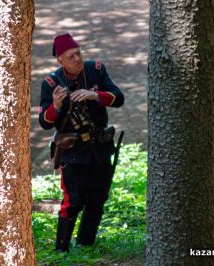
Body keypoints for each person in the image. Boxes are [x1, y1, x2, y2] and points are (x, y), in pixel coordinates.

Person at [38, 32, 124, 252]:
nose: (77, 59)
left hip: (100, 147)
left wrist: (94, 96)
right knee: (73, 201)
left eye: (78, 54)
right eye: (70, 56)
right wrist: (56, 106)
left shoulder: (95, 70)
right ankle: (61, 250)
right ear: (60, 60)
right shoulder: (51, 83)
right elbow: (45, 123)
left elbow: (118, 97)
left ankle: (86, 245)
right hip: (73, 151)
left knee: (98, 197)